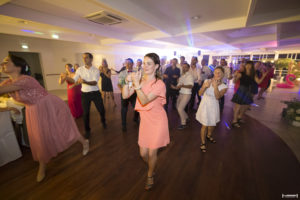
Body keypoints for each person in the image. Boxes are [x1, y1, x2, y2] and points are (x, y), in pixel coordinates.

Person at [0, 55, 89, 182]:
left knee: (63, 129)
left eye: (6, 61)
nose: (3, 63)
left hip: (49, 106)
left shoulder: (25, 79)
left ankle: (84, 142)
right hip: (33, 111)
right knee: (40, 138)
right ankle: (42, 165)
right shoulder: (9, 82)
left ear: (18, 66)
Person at [122, 53, 169, 190]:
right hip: (145, 122)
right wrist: (128, 81)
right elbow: (125, 95)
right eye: (144, 63)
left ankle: (150, 174)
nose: (145, 66)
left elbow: (144, 100)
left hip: (158, 121)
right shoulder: (140, 80)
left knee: (151, 153)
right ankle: (151, 166)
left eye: (149, 63)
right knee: (143, 154)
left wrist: (136, 85)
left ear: (156, 66)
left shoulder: (159, 84)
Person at [63, 52, 106, 139]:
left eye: (86, 57)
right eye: (83, 58)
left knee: (101, 109)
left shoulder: (96, 70)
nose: (84, 59)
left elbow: (94, 83)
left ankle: (103, 120)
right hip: (85, 94)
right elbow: (74, 80)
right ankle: (87, 130)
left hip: (95, 93)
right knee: (85, 113)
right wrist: (66, 77)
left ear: (91, 59)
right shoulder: (79, 70)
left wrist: (84, 81)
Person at [196, 67, 228, 153]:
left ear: (223, 74)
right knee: (205, 125)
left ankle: (209, 135)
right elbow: (200, 93)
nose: (217, 74)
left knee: (212, 124)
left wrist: (215, 87)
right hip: (205, 104)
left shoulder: (224, 86)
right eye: (216, 72)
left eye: (219, 73)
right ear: (213, 73)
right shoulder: (207, 81)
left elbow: (218, 97)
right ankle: (203, 143)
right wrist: (204, 87)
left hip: (214, 104)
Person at [231, 61, 268, 128]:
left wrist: (263, 76)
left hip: (248, 91)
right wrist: (235, 76)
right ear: (245, 65)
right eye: (247, 64)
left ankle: (239, 117)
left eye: (250, 65)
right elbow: (234, 82)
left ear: (252, 66)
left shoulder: (253, 74)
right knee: (238, 106)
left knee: (246, 106)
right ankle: (234, 121)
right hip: (241, 90)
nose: (248, 66)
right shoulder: (241, 73)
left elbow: (258, 82)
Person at [118, 58, 139, 132]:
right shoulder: (122, 73)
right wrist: (123, 92)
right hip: (125, 93)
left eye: (129, 63)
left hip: (133, 93)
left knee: (136, 108)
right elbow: (119, 84)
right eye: (126, 63)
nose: (127, 64)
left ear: (132, 64)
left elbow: (139, 82)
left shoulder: (137, 72)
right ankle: (123, 125)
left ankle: (135, 119)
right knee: (124, 109)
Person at [171, 63, 193, 129]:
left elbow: (191, 86)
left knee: (180, 108)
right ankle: (186, 118)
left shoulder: (190, 76)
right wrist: (174, 87)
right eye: (183, 67)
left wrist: (182, 86)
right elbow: (178, 86)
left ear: (188, 68)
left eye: (185, 67)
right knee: (177, 106)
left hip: (187, 94)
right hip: (181, 93)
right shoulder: (181, 76)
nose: (184, 68)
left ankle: (183, 123)